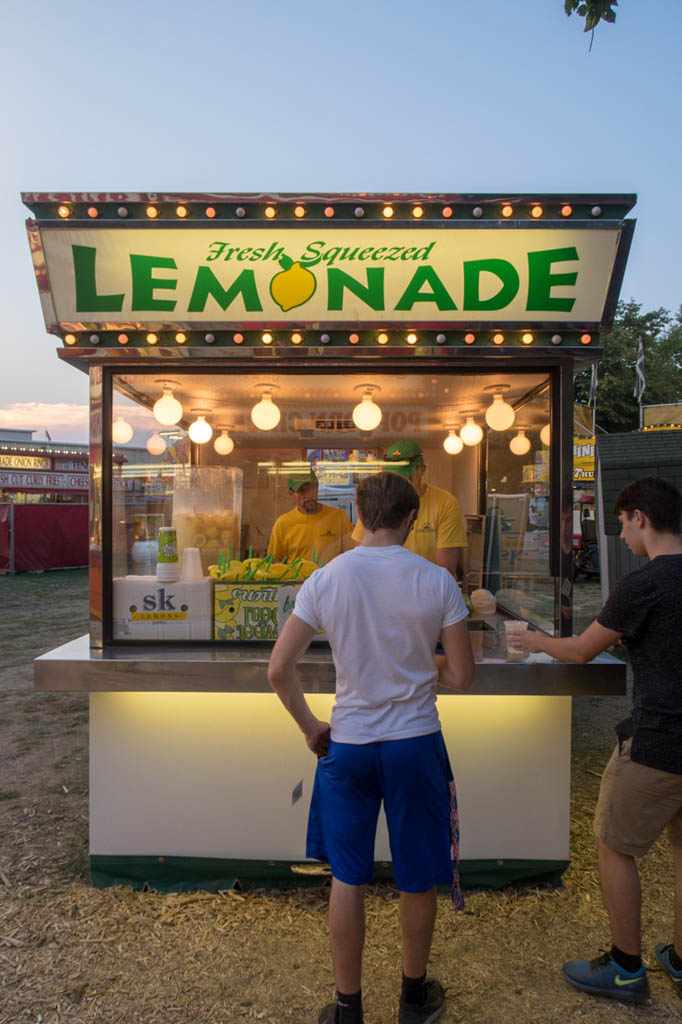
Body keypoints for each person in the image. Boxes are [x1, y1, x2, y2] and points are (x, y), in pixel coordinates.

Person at [268, 471, 474, 1024]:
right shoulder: (437, 581)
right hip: (414, 742)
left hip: (350, 745)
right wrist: (424, 661)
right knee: (416, 875)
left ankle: (347, 1008)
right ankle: (412, 999)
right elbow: (462, 674)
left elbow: (278, 668)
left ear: (360, 514)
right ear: (411, 518)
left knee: (348, 876)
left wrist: (311, 726)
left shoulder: (327, 579)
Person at [514, 476, 682, 1006]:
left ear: (640, 517)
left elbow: (583, 651)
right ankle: (679, 957)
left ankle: (627, 968)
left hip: (657, 740)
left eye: (622, 524)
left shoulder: (646, 583)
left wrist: (534, 640)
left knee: (613, 846)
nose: (622, 536)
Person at [350, 440, 467, 577]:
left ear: (421, 470)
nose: (399, 485)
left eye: (406, 478)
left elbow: (446, 567)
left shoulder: (445, 503)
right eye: (394, 478)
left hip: (427, 589)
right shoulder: (378, 501)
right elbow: (362, 553)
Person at [267, 468, 353, 565]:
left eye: (312, 488)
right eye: (302, 491)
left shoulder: (338, 517)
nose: (309, 495)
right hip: (298, 580)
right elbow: (275, 561)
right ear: (291, 493)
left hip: (330, 579)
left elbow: (351, 554)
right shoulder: (282, 524)